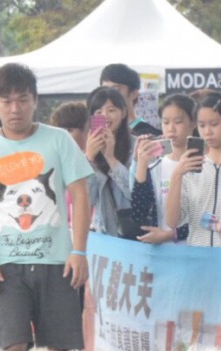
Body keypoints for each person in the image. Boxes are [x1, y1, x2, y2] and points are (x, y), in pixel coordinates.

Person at [0, 62, 92, 351]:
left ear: (35, 101)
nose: (14, 108)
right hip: (6, 264)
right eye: (6, 101)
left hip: (56, 261)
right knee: (13, 346)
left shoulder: (59, 140)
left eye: (22, 100)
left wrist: (78, 250)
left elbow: (81, 194)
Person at [164, 91, 221, 248]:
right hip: (200, 261)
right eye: (202, 125)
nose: (207, 131)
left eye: (214, 124)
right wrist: (177, 175)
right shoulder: (189, 167)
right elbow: (172, 221)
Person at [125, 93, 196, 244]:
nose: (171, 128)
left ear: (193, 123)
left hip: (196, 250)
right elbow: (139, 212)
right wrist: (142, 164)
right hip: (164, 255)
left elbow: (205, 216)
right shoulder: (156, 167)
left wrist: (170, 234)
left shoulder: (201, 165)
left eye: (178, 121)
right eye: (165, 122)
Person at [84, 87, 134, 237]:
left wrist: (111, 158)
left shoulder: (137, 147)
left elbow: (135, 193)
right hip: (102, 233)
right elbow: (87, 199)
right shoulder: (88, 151)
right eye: (98, 112)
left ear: (123, 113)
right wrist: (89, 159)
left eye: (111, 110)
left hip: (132, 233)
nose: (105, 116)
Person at [98, 63, 159, 137]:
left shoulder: (148, 134)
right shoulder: (98, 131)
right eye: (104, 90)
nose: (109, 95)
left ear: (133, 93)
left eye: (116, 90)